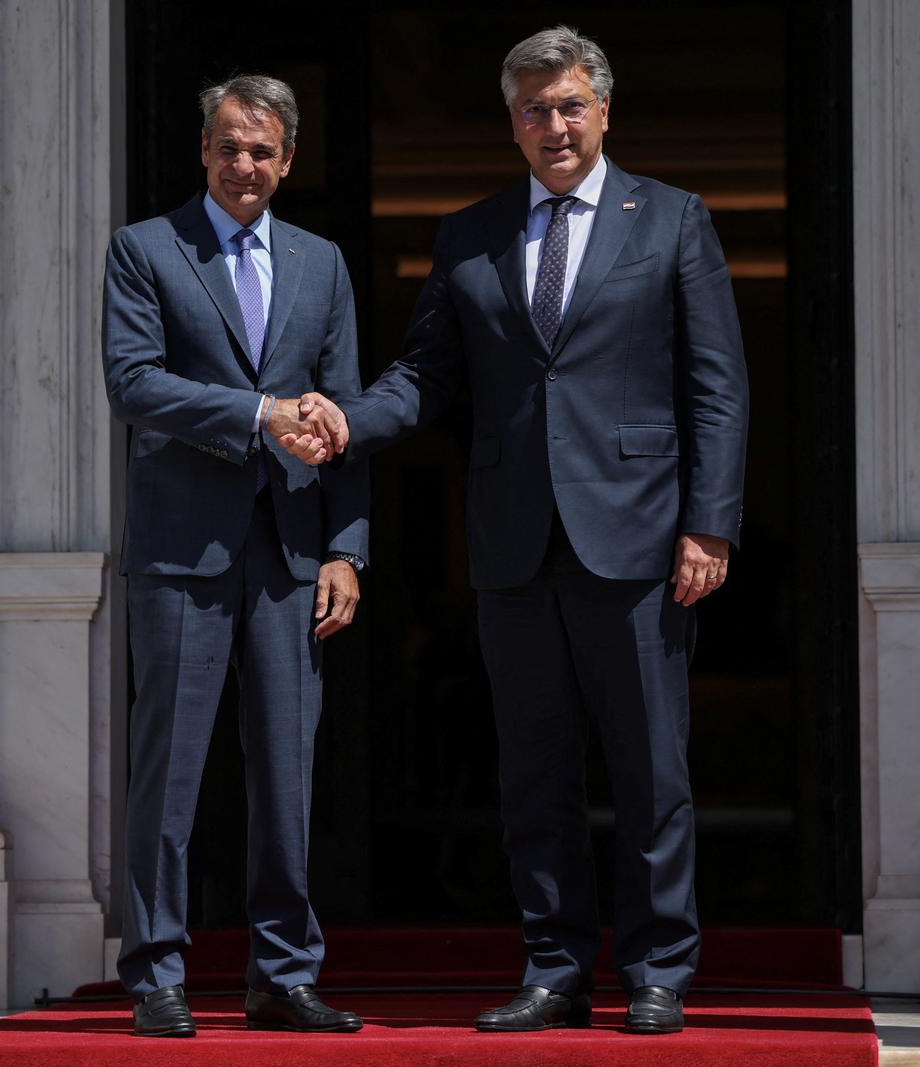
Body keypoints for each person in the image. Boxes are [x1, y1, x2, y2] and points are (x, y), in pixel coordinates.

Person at [278, 26, 747, 1035]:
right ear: (511, 122)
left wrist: (708, 524)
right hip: (511, 540)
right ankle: (555, 966)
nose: (553, 125)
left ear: (604, 109)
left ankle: (659, 968)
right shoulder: (471, 234)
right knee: (532, 769)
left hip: (636, 537)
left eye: (570, 104)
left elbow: (716, 388)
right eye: (533, 109)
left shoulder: (670, 219)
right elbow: (428, 374)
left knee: (649, 766)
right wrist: (351, 417)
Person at [102, 73, 365, 1038]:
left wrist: (348, 547)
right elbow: (133, 383)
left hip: (293, 554)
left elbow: (342, 413)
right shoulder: (145, 249)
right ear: (202, 153)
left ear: (287, 160)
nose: (243, 164)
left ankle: (282, 974)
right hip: (183, 552)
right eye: (227, 146)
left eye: (261, 150)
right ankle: (156, 973)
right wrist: (258, 413)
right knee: (168, 769)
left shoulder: (321, 262)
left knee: (287, 771)